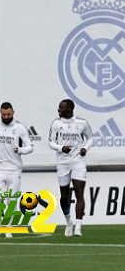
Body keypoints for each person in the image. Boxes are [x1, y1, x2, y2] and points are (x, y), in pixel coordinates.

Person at [0, 102, 33, 238]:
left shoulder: (20, 128)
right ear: (0, 113)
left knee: (11, 200)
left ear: (13, 112)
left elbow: (30, 146)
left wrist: (21, 150)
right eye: (3, 114)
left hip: (14, 169)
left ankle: (9, 227)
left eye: (8, 114)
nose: (6, 117)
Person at [48, 99, 93, 237]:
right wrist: (61, 148)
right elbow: (50, 142)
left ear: (70, 109)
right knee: (64, 196)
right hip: (63, 162)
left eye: (61, 107)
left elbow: (90, 138)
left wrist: (85, 148)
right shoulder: (56, 123)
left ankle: (78, 227)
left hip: (78, 161)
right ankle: (69, 222)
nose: (58, 109)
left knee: (79, 192)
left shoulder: (82, 123)